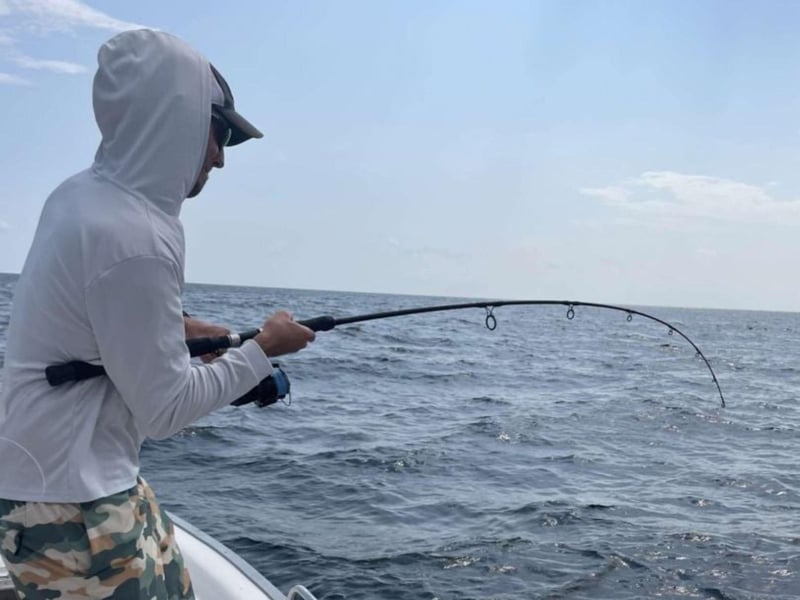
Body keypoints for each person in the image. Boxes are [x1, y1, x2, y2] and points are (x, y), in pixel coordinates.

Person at [0, 29, 315, 599]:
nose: (221, 157)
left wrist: (185, 329)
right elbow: (166, 409)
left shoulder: (83, 196)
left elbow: (87, 311)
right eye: (220, 134)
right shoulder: (134, 237)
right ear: (179, 119)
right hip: (70, 506)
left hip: (88, 480)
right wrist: (262, 349)